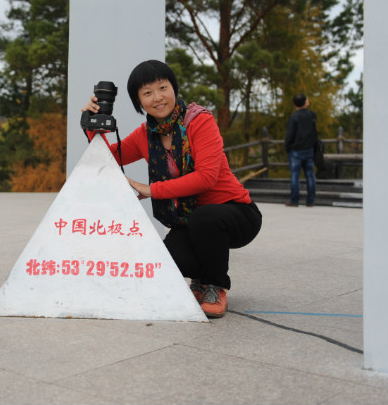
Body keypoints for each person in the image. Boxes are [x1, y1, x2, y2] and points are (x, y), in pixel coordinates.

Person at [82, 60, 262, 318]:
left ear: (174, 88)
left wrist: (152, 189)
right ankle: (199, 281)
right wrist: (91, 125)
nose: (158, 97)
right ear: (138, 101)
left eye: (162, 87)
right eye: (147, 93)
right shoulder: (146, 134)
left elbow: (206, 178)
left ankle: (216, 286)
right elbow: (108, 157)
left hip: (236, 214)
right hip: (192, 221)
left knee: (205, 217)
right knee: (170, 259)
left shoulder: (199, 121)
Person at [284, 93, 318, 207]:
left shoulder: (294, 117)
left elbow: (290, 135)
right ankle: (310, 201)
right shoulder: (312, 115)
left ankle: (294, 201)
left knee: (295, 176)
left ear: (295, 104)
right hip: (309, 149)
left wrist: (287, 146)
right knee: (310, 175)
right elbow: (314, 133)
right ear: (306, 102)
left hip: (295, 150)